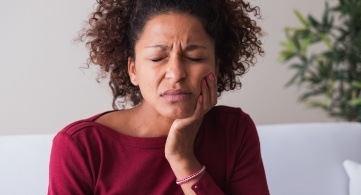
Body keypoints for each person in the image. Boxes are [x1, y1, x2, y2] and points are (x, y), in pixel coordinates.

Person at [48, 0, 269, 194]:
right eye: (157, 58)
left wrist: (182, 157)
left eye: (195, 57)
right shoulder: (81, 146)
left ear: (216, 67)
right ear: (133, 70)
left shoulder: (234, 131)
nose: (176, 74)